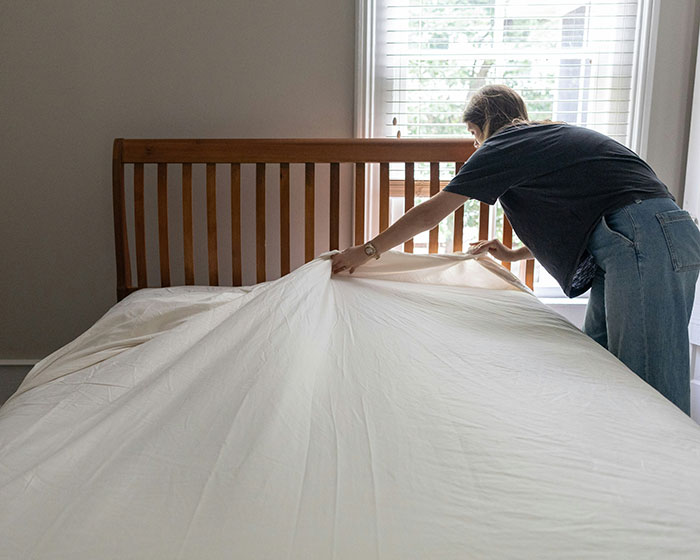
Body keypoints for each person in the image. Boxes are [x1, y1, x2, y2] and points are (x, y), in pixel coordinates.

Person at [330, 84, 700, 416]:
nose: (475, 146)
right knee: (605, 362)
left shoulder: (503, 145)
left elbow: (433, 212)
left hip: (643, 238)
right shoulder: (546, 138)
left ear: (484, 125)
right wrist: (512, 255)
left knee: (652, 386)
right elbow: (583, 218)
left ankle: (673, 485)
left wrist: (364, 252)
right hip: (644, 237)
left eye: (473, 135)